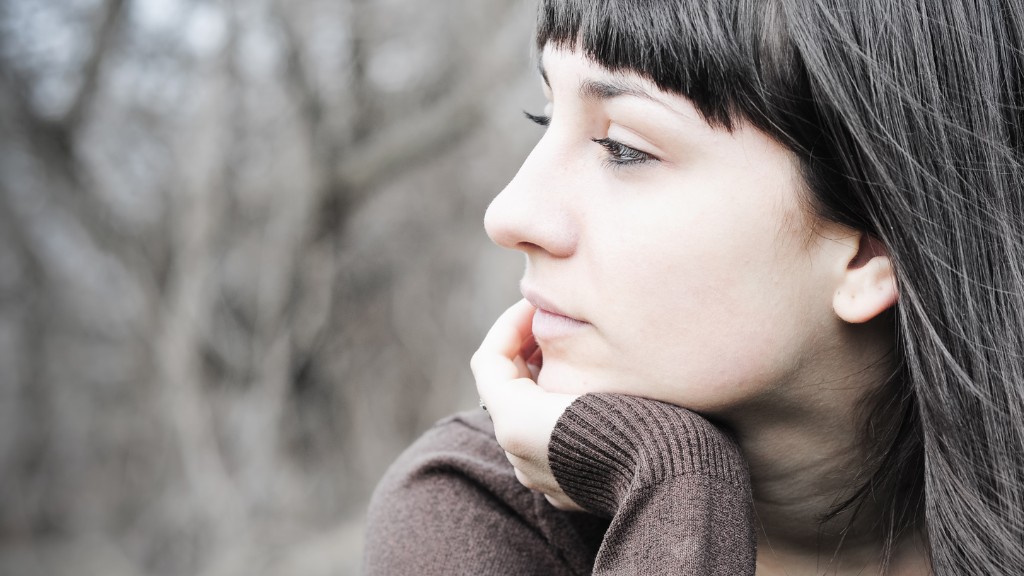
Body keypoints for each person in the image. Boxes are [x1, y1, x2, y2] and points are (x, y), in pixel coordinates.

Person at [363, 0, 1024, 574]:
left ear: (869, 252)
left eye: (623, 148)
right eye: (545, 119)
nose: (509, 214)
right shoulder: (477, 511)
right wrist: (673, 484)